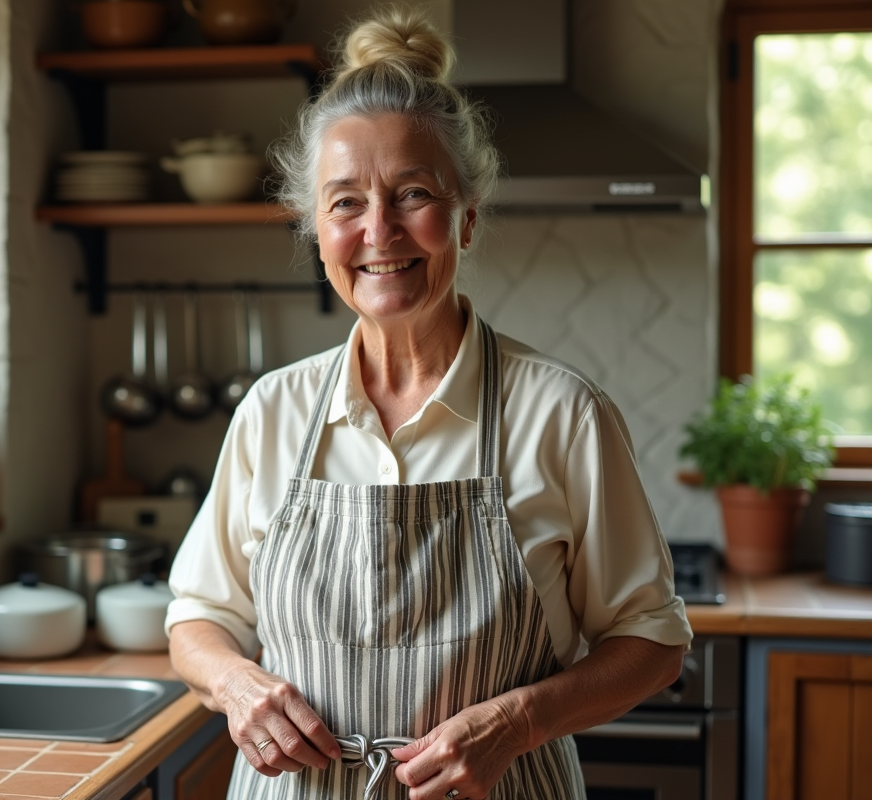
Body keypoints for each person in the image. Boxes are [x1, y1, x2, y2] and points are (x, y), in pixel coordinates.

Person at [165, 7, 692, 799]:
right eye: (345, 203)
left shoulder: (562, 414)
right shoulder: (272, 412)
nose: (379, 230)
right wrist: (238, 685)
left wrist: (516, 724)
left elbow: (652, 638)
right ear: (316, 230)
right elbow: (196, 618)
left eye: (412, 193)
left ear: (466, 218)